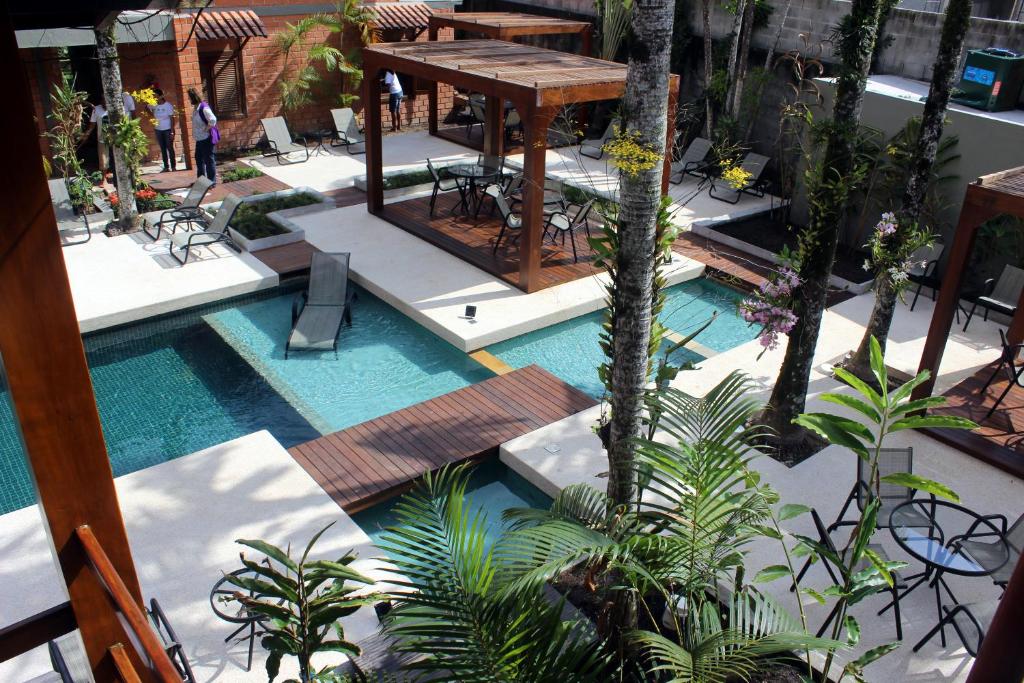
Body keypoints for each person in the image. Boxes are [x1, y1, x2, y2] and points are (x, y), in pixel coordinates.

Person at [187, 87, 217, 183]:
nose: (188, 99)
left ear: (193, 97)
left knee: (208, 160)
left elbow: (213, 120)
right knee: (199, 159)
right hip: (199, 139)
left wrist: (205, 129)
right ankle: (201, 181)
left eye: (189, 97)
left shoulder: (203, 107)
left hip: (206, 138)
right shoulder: (196, 108)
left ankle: (211, 182)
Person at [148, 89, 176, 172]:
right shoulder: (153, 105)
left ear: (160, 96)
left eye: (156, 96)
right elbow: (147, 108)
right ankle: (166, 167)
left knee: (169, 148)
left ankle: (173, 166)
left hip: (167, 129)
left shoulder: (168, 106)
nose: (154, 97)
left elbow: (172, 119)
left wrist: (172, 131)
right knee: (162, 148)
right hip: (158, 129)